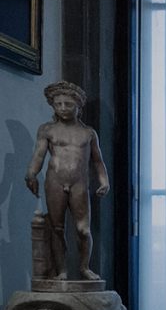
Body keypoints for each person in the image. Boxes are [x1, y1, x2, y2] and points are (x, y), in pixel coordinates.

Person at [24, 81, 110, 281]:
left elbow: (98, 161)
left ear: (78, 107)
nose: (63, 108)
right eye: (58, 104)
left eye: (68, 104)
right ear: (53, 106)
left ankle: (84, 267)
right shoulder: (47, 130)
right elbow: (39, 155)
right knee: (57, 227)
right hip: (55, 181)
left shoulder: (88, 133)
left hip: (79, 184)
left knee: (83, 229)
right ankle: (62, 270)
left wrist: (104, 181)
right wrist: (31, 173)